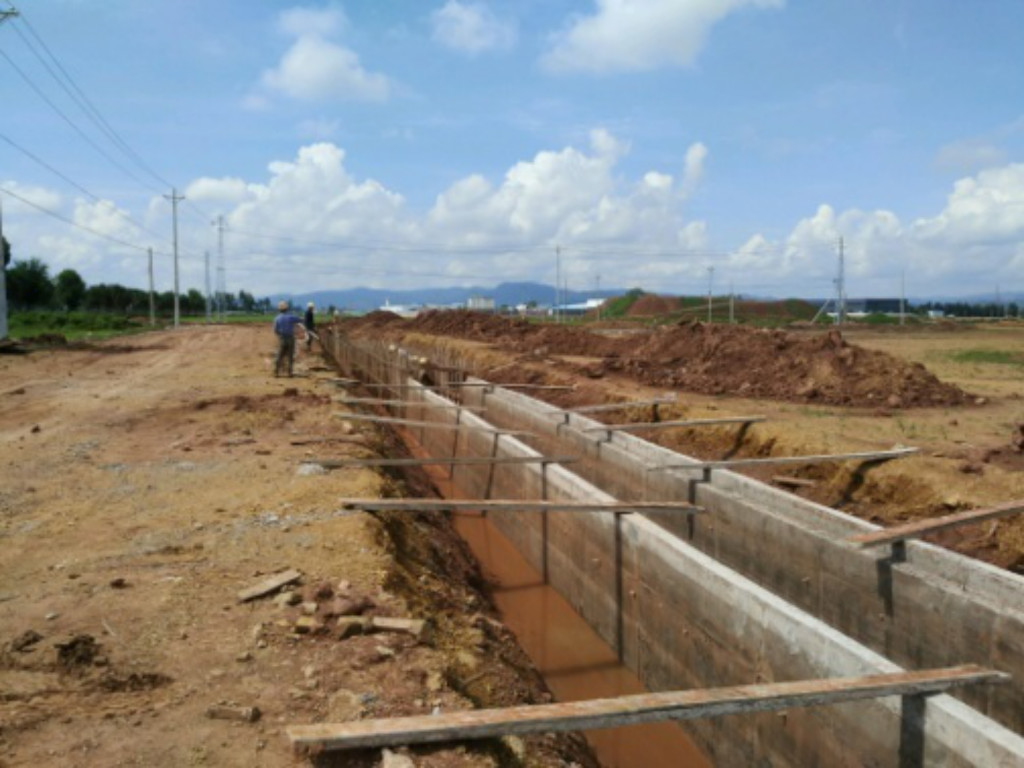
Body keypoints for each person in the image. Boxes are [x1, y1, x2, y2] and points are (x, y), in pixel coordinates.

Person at [273, 300, 305, 377]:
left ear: (279, 309)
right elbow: (300, 319)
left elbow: (275, 330)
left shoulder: (277, 318)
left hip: (282, 338)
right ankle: (289, 372)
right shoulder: (290, 317)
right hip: (290, 338)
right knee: (290, 355)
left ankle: (276, 372)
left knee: (280, 355)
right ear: (287, 309)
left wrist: (280, 335)